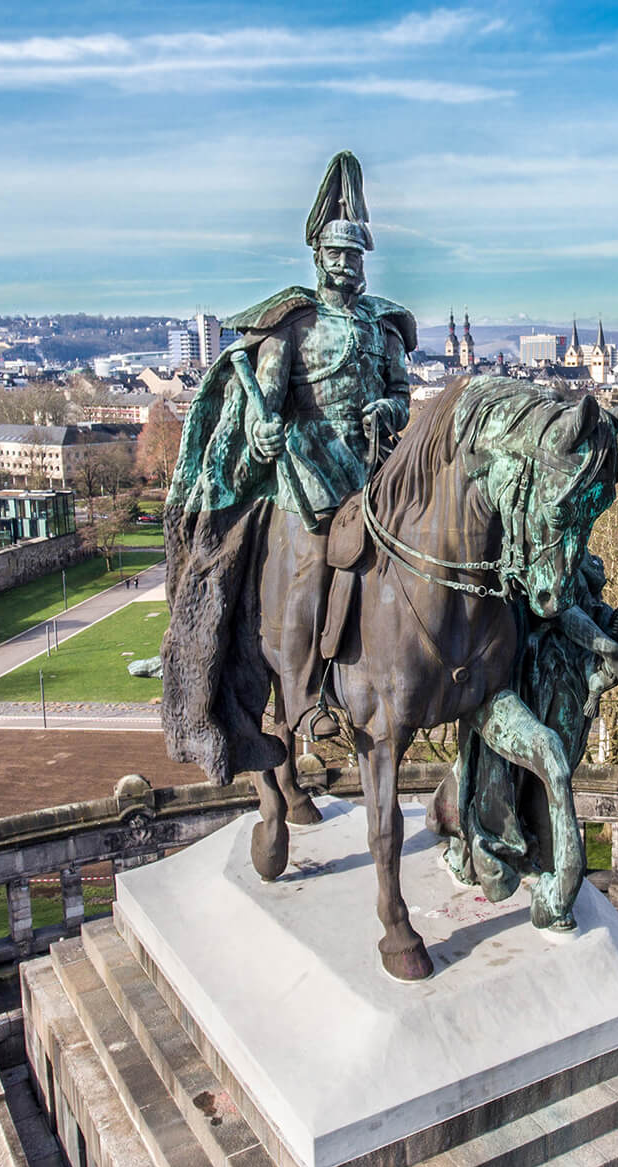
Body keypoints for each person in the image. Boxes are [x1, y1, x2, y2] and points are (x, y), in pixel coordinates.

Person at [162, 151, 415, 780]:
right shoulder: (293, 327)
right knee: (309, 564)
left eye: (357, 257)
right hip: (304, 473)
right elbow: (264, 406)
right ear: (321, 260)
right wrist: (261, 432)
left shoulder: (382, 328)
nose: (348, 266)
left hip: (371, 466)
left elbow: (402, 393)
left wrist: (386, 406)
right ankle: (303, 699)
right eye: (339, 256)